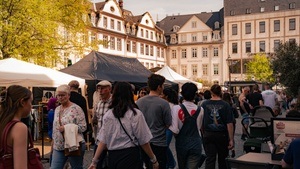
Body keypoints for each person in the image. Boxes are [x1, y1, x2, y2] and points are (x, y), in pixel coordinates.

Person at [88, 82, 159, 169]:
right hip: (130, 156)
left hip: (113, 156)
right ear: (130, 94)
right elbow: (143, 139)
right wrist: (153, 159)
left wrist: (94, 161)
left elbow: (102, 140)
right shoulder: (135, 114)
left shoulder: (109, 114)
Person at [136, 74, 172, 169]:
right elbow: (168, 123)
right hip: (159, 142)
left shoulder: (139, 102)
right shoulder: (164, 103)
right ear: (159, 87)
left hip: (143, 142)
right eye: (163, 85)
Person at [51, 84, 87, 169]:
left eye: (63, 95)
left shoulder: (76, 109)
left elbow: (83, 127)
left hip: (73, 145)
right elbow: (55, 128)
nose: (60, 97)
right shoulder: (57, 109)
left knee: (76, 167)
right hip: (58, 146)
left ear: (68, 95)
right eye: (58, 95)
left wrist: (67, 128)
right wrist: (53, 142)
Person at [169, 83, 204, 169]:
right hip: (196, 142)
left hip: (182, 143)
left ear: (182, 93)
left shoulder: (176, 108)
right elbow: (199, 127)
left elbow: (175, 130)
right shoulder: (201, 109)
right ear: (195, 94)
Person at [201, 84, 234, 169]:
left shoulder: (204, 104)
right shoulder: (225, 105)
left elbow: (201, 120)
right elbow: (229, 123)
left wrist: (203, 133)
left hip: (208, 134)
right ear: (220, 92)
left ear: (211, 92)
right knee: (223, 159)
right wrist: (231, 139)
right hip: (222, 135)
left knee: (210, 159)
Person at [0, 85, 32, 169]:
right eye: (30, 102)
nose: (31, 106)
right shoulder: (19, 128)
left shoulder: (3, 122)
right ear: (22, 102)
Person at [92, 80, 112, 169]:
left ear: (109, 89)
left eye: (103, 88)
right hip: (100, 139)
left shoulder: (114, 103)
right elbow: (96, 120)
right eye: (99, 88)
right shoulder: (99, 103)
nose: (100, 91)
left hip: (112, 141)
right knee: (97, 164)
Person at [161, 87, 178, 169]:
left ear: (166, 96)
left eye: (162, 94)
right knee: (165, 146)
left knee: (165, 146)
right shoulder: (173, 105)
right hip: (169, 128)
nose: (161, 95)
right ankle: (170, 163)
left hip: (168, 128)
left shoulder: (168, 105)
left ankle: (171, 163)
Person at [222, 93, 238, 158]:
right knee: (231, 136)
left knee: (225, 137)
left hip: (224, 123)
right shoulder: (233, 105)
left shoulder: (222, 105)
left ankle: (226, 152)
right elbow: (237, 115)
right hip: (232, 122)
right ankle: (233, 148)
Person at [47, 97, 58, 166]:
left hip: (53, 131)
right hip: (53, 131)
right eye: (56, 102)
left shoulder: (54, 111)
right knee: (53, 149)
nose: (57, 103)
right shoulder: (52, 112)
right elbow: (54, 123)